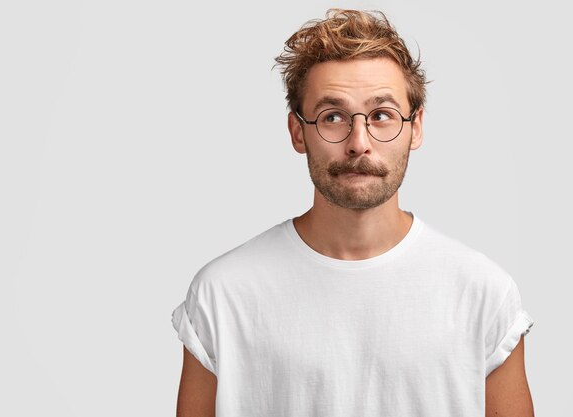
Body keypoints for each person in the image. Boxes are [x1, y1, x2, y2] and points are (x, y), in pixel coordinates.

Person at [171, 8, 535, 417]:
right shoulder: (223, 294)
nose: (358, 142)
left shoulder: (483, 294)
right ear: (297, 131)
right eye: (333, 117)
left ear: (415, 128)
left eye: (382, 115)